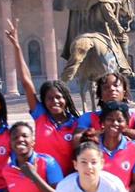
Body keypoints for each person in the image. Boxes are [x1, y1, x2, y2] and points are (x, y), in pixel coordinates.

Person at [7, 20, 81, 174]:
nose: (54, 101)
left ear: (66, 99)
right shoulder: (41, 116)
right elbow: (27, 83)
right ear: (44, 101)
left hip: (68, 182)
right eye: (49, 98)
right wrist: (17, 48)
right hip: (42, 181)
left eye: (58, 97)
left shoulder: (76, 124)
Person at [76, 72, 135, 146]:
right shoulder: (87, 118)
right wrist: (107, 132)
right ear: (100, 95)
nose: (111, 89)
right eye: (106, 87)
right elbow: (76, 140)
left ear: (124, 92)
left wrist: (121, 129)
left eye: (116, 85)